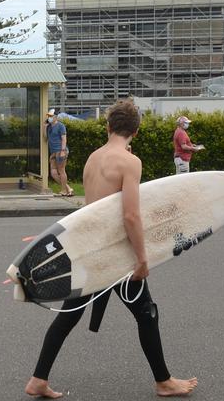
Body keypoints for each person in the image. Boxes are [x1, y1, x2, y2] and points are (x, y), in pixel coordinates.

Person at [25, 99, 197, 399]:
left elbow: (91, 208)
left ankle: (38, 379)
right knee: (146, 313)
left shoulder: (93, 158)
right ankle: (164, 382)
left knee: (69, 315)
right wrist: (142, 259)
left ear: (107, 127)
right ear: (137, 131)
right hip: (113, 256)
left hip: (90, 250)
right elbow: (130, 215)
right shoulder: (130, 162)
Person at [44, 109, 73, 196]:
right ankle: (68, 188)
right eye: (48, 116)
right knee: (53, 173)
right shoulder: (49, 127)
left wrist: (63, 151)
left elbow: (64, 139)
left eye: (51, 116)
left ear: (55, 117)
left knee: (61, 170)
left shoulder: (61, 126)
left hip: (61, 150)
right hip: (53, 152)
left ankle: (64, 191)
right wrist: (44, 127)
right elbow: (45, 138)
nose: (49, 117)